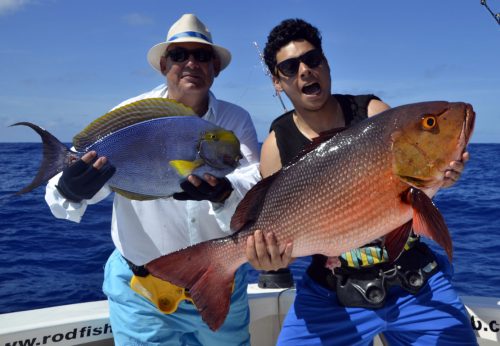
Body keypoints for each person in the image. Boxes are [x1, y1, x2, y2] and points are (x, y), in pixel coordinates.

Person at [251, 18, 477, 345]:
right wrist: (271, 258)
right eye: (289, 67)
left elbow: (408, 197)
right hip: (333, 294)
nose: (304, 71)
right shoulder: (275, 146)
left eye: (313, 60)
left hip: (414, 282)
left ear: (326, 65)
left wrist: (441, 181)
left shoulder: (371, 111)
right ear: (277, 82)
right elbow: (274, 230)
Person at [45, 14, 260, 346]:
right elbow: (81, 180)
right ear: (163, 65)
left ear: (215, 67)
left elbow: (252, 182)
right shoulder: (131, 113)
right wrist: (69, 190)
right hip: (142, 294)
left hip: (221, 287)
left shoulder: (235, 121)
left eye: (202, 56)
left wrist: (225, 193)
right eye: (179, 55)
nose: (191, 63)